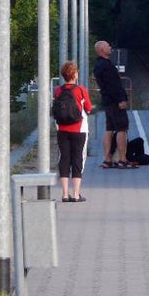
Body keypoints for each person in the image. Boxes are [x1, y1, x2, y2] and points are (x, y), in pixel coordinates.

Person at [55, 61, 93, 202]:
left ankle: (65, 194)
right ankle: (76, 194)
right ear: (75, 74)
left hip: (62, 129)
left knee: (64, 159)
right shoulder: (81, 90)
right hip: (79, 130)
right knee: (78, 159)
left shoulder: (58, 90)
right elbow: (88, 108)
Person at [92, 40, 130, 168]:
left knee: (109, 129)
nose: (110, 48)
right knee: (122, 129)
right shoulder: (107, 66)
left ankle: (107, 159)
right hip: (115, 101)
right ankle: (122, 159)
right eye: (108, 46)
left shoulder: (98, 65)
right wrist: (121, 99)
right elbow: (113, 85)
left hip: (107, 101)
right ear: (102, 50)